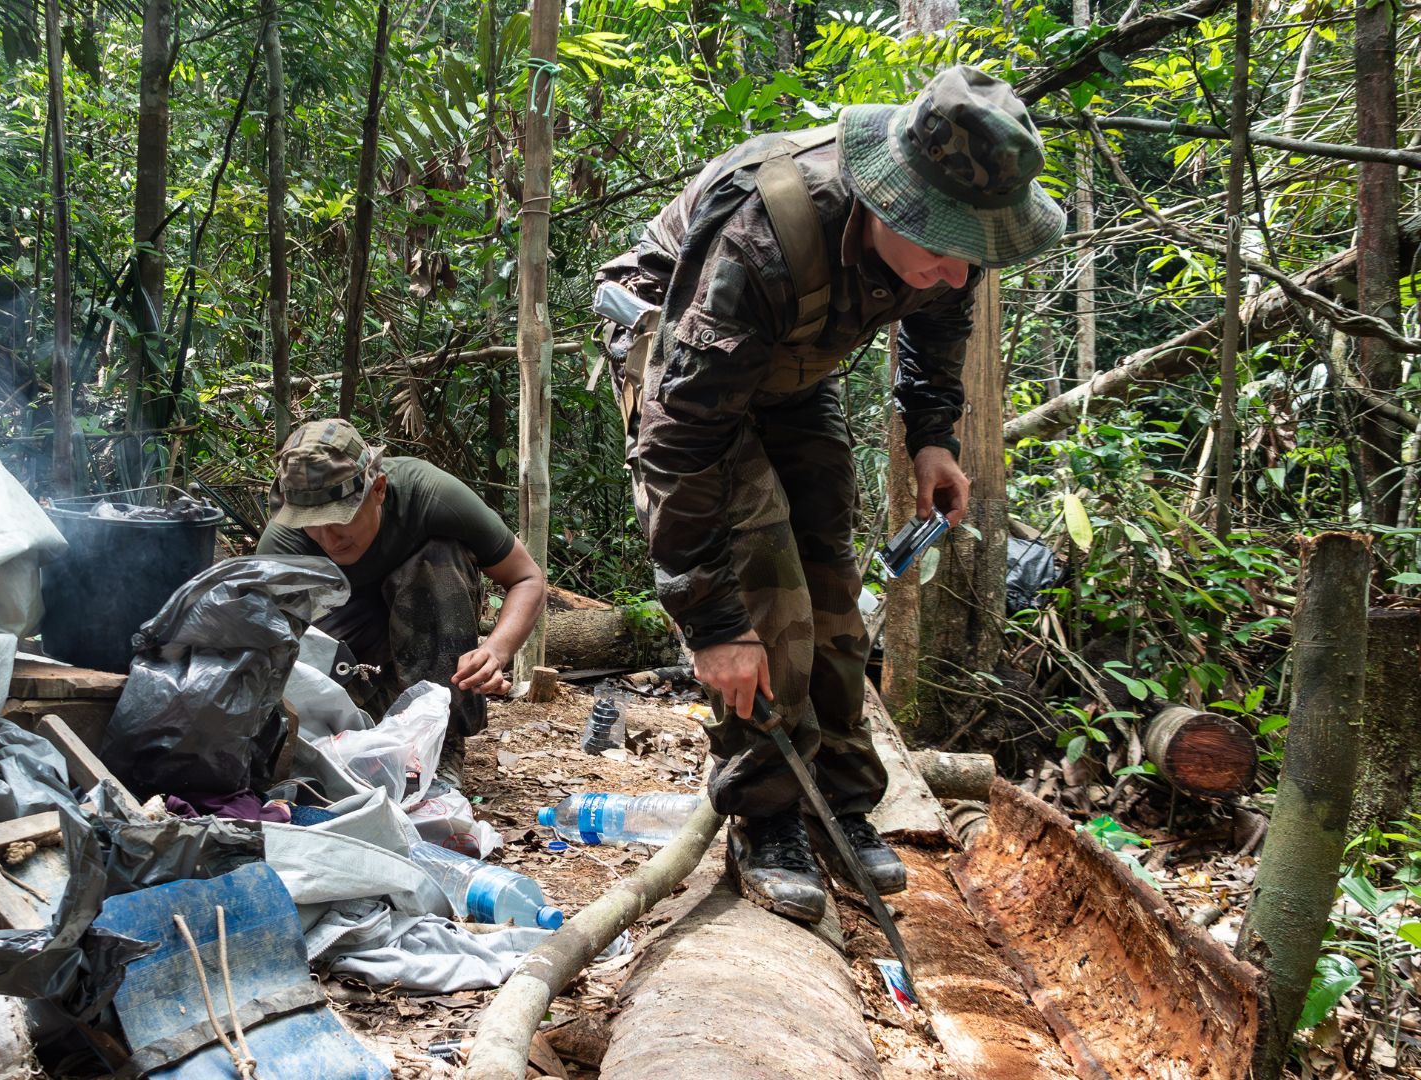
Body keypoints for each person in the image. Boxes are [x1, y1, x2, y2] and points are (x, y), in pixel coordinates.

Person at [591, 66, 1064, 922]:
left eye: (972, 254)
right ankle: (766, 816)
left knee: (829, 576)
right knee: (765, 587)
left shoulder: (949, 242)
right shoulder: (764, 232)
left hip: (792, 369)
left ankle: (841, 799)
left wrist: (932, 438)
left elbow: (941, 318)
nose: (958, 275)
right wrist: (711, 623)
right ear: (888, 202)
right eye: (941, 249)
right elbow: (681, 436)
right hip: (687, 373)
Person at [257, 418, 546, 789]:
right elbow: (263, 649)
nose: (328, 537)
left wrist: (496, 650)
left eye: (339, 519)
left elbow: (526, 577)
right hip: (352, 679)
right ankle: (358, 740)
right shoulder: (284, 543)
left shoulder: (428, 495)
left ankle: (440, 747)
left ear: (377, 489)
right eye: (311, 523)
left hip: (430, 667)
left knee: (437, 557)